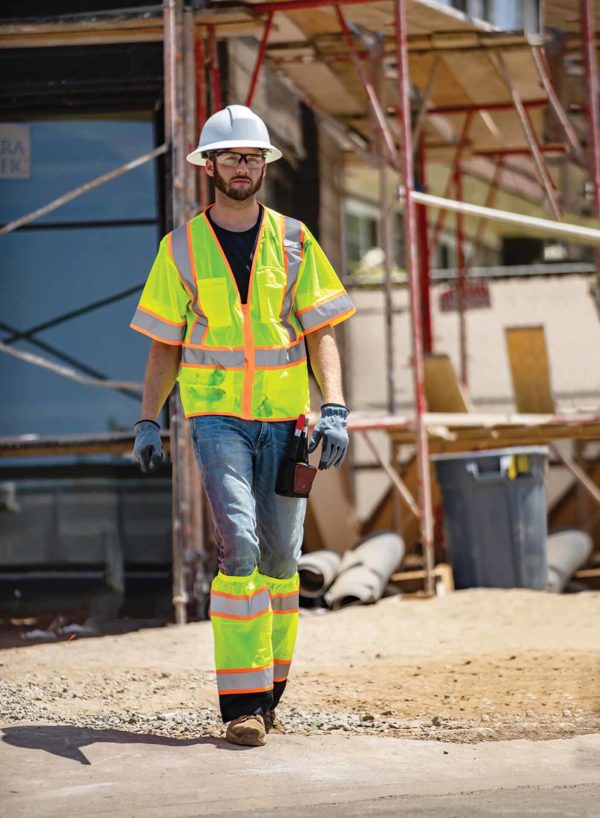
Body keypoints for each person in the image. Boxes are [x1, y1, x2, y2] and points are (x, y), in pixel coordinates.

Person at [130, 105, 355, 747]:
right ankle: (241, 706)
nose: (242, 166)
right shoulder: (180, 247)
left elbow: (321, 330)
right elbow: (163, 346)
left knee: (284, 559)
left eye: (252, 157)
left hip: (288, 422)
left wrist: (333, 406)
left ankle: (273, 690)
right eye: (230, 157)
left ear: (263, 166)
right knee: (242, 549)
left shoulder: (295, 238)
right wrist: (149, 419)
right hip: (217, 420)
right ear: (210, 166)